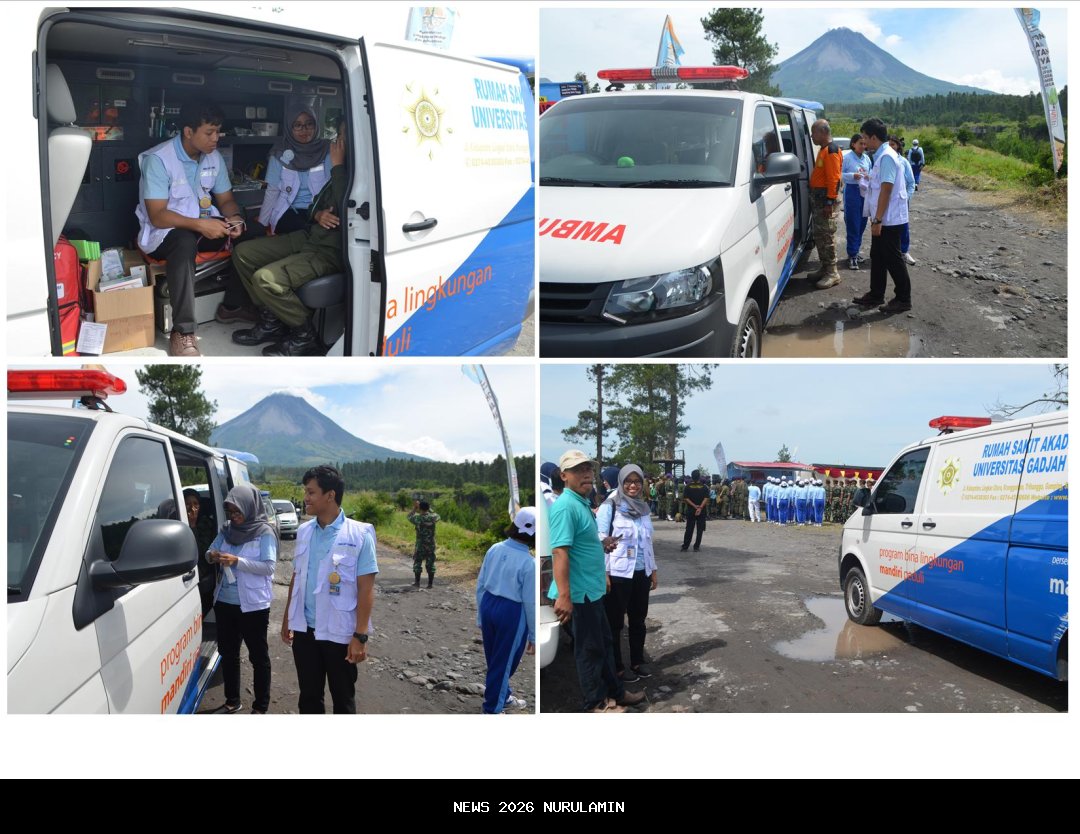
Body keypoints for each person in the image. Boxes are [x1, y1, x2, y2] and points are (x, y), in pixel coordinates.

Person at [231, 117, 349, 356]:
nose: (339, 143)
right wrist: (317, 216)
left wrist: (336, 166)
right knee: (243, 253)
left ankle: (304, 335)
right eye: (339, 137)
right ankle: (272, 321)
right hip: (310, 235)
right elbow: (316, 204)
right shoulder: (337, 165)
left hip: (330, 249)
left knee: (265, 278)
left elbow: (349, 207)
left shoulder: (349, 168)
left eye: (344, 138)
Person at [136, 101, 247, 356]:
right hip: (166, 232)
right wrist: (201, 225)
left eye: (218, 132)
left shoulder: (214, 158)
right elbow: (157, 216)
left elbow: (227, 200)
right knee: (184, 242)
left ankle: (232, 306)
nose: (215, 139)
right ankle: (183, 332)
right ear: (188, 132)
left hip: (204, 224)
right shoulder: (159, 160)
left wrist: (235, 220)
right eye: (209, 133)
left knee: (251, 234)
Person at [550, 450, 646, 714]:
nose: (586, 475)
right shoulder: (565, 507)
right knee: (589, 650)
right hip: (579, 594)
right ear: (564, 475)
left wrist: (602, 543)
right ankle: (595, 703)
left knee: (604, 643)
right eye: (578, 470)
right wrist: (564, 596)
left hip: (592, 591)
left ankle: (615, 692)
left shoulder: (581, 503)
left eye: (588, 469)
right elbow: (560, 551)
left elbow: (581, 542)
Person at [282, 465, 378, 714]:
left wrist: (360, 636)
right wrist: (287, 619)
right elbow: (297, 576)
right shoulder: (304, 532)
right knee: (309, 697)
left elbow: (366, 589)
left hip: (340, 633)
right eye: (305, 492)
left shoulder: (358, 535)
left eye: (311, 492)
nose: (306, 498)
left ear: (330, 495)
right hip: (305, 632)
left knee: (343, 698)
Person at [205, 484, 277, 714]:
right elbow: (208, 552)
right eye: (231, 513)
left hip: (253, 606)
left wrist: (237, 561)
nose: (234, 517)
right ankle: (232, 701)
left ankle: (260, 707)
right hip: (225, 602)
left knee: (258, 656)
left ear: (250, 507)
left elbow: (268, 567)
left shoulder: (264, 532)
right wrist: (213, 555)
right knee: (229, 653)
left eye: (238, 512)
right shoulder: (226, 530)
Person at [596, 465, 658, 683]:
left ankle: (637, 661)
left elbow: (647, 542)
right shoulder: (610, 506)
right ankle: (617, 667)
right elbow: (600, 539)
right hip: (618, 573)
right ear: (621, 483)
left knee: (639, 620)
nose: (633, 485)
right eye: (628, 481)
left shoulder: (643, 508)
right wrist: (603, 572)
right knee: (615, 623)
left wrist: (653, 570)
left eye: (637, 481)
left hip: (641, 572)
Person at [476, 507, 536, 714]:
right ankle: (492, 708)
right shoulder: (529, 563)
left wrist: (479, 614)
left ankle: (504, 694)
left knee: (495, 657)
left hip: (488, 604)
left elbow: (481, 583)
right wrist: (534, 636)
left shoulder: (494, 548)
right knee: (504, 663)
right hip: (511, 611)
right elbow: (530, 602)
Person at [854, 117, 912, 315]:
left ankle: (903, 299)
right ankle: (876, 294)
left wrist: (877, 219)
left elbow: (886, 189)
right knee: (877, 256)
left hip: (889, 218)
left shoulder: (886, 156)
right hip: (883, 216)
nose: (863, 142)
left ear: (873, 137)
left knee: (893, 258)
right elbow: (881, 184)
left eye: (864, 138)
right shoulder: (882, 155)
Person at [258, 105, 332, 236]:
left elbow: (333, 188)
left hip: (319, 211)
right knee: (301, 231)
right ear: (289, 128)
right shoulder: (279, 153)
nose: (304, 130)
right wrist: (261, 226)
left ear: (316, 125)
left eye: (309, 124)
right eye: (297, 125)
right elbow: (272, 191)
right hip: (288, 211)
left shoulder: (327, 150)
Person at [807, 119, 844, 289]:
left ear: (822, 132)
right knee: (820, 235)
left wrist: (830, 201)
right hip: (819, 199)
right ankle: (824, 267)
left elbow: (834, 179)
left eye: (814, 133)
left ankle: (832, 273)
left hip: (825, 200)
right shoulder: (823, 150)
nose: (812, 136)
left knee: (827, 236)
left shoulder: (831, 150)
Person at [184, 488, 218, 614]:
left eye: (195, 504)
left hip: (201, 572)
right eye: (188, 504)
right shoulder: (177, 523)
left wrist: (192, 525)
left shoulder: (206, 524)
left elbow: (202, 552)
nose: (192, 508)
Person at [842, 133, 872, 270]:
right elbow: (838, 174)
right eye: (861, 143)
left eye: (865, 144)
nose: (863, 146)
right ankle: (852, 254)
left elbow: (871, 174)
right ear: (853, 144)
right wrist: (852, 175)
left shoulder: (867, 159)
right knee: (853, 222)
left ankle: (856, 250)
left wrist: (868, 176)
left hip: (864, 193)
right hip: (852, 192)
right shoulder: (846, 158)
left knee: (862, 223)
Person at [889, 136, 918, 266]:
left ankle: (904, 252)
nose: (890, 147)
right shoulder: (883, 159)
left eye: (893, 145)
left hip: (901, 200)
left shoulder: (904, 162)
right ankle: (889, 253)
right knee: (888, 227)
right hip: (888, 200)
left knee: (903, 227)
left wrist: (907, 197)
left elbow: (911, 183)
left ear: (898, 147)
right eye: (888, 144)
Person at [407, 499, 440, 589]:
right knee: (430, 563)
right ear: (428, 508)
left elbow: (409, 516)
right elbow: (437, 515)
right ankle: (430, 584)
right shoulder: (433, 517)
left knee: (417, 562)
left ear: (420, 508)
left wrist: (415, 508)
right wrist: (429, 509)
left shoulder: (417, 518)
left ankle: (417, 583)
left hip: (420, 544)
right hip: (430, 544)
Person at [680, 469, 709, 552]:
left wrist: (694, 506)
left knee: (689, 529)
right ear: (699, 477)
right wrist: (700, 508)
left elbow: (686, 498)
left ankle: (685, 546)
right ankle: (696, 547)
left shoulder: (688, 487)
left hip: (691, 511)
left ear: (692, 477)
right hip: (702, 511)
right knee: (700, 530)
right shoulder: (704, 487)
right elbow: (706, 498)